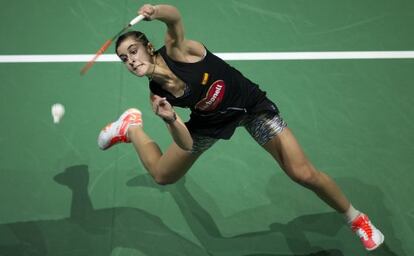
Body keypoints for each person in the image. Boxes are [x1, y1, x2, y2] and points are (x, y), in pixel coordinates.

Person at [97, 3, 384, 251]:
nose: (131, 61)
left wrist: (155, 11)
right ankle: (132, 127)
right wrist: (171, 119)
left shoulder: (178, 50)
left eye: (133, 51)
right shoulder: (158, 95)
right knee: (162, 176)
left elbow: (174, 18)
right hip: (209, 123)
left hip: (251, 108)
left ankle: (356, 218)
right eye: (124, 59)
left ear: (148, 47)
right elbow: (185, 144)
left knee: (303, 173)